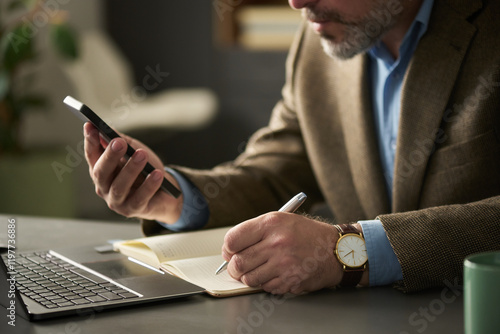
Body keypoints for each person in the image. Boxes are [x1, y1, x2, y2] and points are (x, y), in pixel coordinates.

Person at [83, 0, 500, 295]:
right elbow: (277, 167)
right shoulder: (320, 37)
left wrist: (347, 252)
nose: (297, 2)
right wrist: (172, 196)